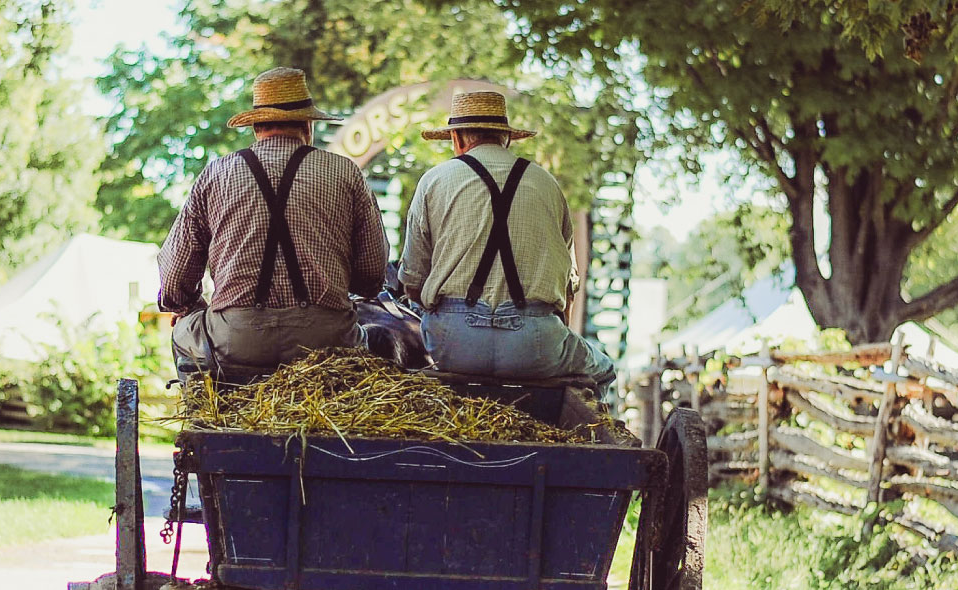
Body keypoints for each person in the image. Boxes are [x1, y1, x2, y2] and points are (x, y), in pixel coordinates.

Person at [158, 67, 390, 375]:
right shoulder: (346, 173)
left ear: (256, 126)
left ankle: (205, 410)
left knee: (183, 330)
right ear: (307, 124)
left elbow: (174, 280)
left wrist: (190, 306)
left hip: (237, 341)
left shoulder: (215, 175)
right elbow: (372, 275)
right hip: (327, 344)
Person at [399, 91, 615, 385]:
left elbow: (412, 281)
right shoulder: (547, 184)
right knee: (604, 370)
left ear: (457, 139)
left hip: (454, 345)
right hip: (535, 346)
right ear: (508, 138)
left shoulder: (434, 181)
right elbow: (568, 289)